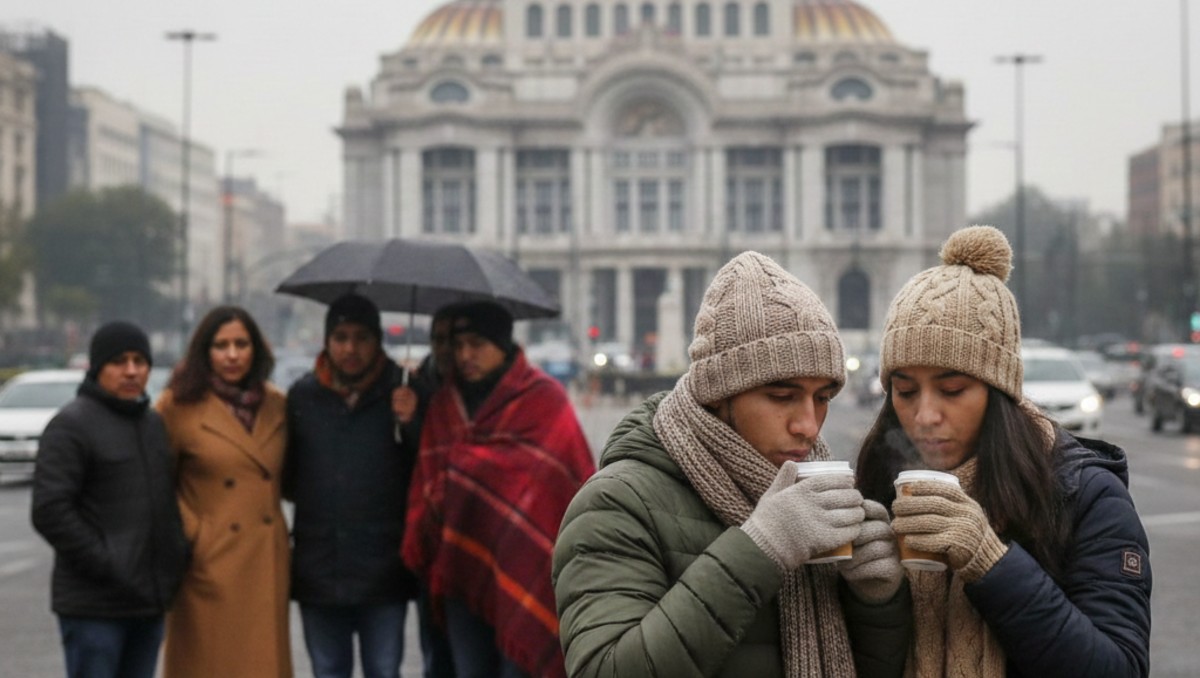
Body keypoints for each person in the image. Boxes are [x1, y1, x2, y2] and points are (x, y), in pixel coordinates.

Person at [552, 251, 911, 678]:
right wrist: (762, 547)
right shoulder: (614, 503)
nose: (809, 426)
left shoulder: (818, 502)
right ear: (718, 395)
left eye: (822, 398)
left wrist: (877, 602)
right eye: (782, 397)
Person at [855, 225, 1152, 676]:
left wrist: (990, 560)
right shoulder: (878, 484)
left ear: (998, 394)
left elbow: (1119, 668)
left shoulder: (1083, 494)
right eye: (905, 390)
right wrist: (868, 596)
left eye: (952, 389)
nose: (925, 415)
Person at [402, 300, 595, 678]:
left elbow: (569, 485)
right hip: (460, 568)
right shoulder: (444, 403)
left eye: (476, 344)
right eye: (458, 346)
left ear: (502, 344)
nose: (465, 355)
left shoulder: (543, 398)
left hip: (527, 565)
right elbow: (429, 478)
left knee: (517, 669)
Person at [31, 321, 189, 678]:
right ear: (98, 367)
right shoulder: (71, 425)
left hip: (147, 602)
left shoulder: (152, 424)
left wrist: (176, 556)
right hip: (94, 606)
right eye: (119, 361)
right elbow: (49, 509)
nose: (131, 371)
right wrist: (107, 563)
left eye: (139, 361)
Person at [283, 293, 419, 678]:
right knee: (327, 669)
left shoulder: (403, 392)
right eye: (341, 337)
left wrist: (411, 422)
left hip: (384, 571)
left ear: (377, 341)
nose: (350, 348)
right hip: (319, 569)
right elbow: (289, 475)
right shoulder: (303, 396)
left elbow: (425, 469)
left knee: (383, 668)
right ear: (327, 341)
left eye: (361, 337)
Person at [155, 306, 291, 677]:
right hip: (207, 564)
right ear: (204, 351)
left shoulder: (277, 404)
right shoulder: (176, 406)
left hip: (265, 559)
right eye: (221, 345)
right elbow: (155, 485)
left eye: (241, 344)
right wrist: (196, 534)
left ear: (256, 350)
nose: (232, 355)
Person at [392, 302, 461, 678]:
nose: (446, 348)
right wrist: (407, 420)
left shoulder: (482, 391)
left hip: (474, 538)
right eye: (438, 339)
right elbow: (409, 463)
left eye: (454, 339)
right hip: (430, 537)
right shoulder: (412, 388)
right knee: (435, 651)